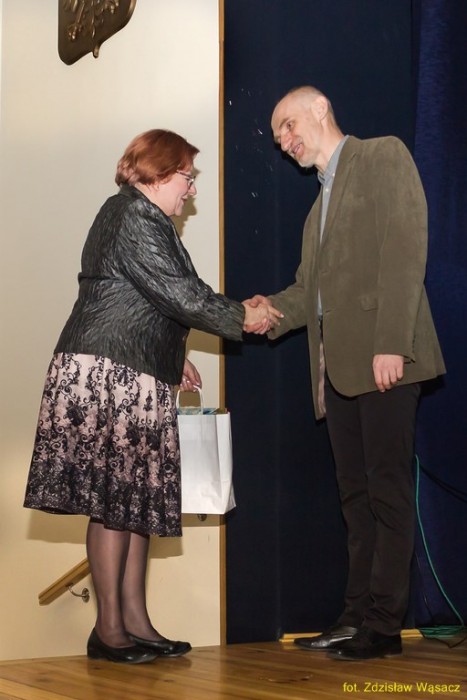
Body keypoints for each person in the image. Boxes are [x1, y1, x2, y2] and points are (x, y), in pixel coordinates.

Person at [24, 129, 282, 664]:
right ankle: (108, 631)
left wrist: (171, 356)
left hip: (129, 367)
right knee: (114, 502)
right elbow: (181, 295)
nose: (191, 189)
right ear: (159, 173)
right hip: (108, 375)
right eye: (187, 177)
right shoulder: (133, 216)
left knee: (136, 500)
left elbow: (140, 299)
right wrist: (244, 315)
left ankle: (135, 624)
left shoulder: (137, 216)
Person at [247, 86, 445, 661]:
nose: (284, 142)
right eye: (278, 136)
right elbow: (307, 293)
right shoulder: (317, 211)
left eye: (288, 125)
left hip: (385, 362)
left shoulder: (383, 155)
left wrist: (392, 344)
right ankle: (355, 616)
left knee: (387, 496)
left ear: (320, 108)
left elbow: (405, 250)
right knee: (356, 502)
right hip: (338, 374)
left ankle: (384, 626)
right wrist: (263, 312)